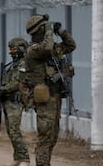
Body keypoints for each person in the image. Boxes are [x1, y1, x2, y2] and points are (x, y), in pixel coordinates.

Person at [20, 14, 76, 166]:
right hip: (45, 98)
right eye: (45, 28)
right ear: (40, 30)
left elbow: (71, 45)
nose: (47, 30)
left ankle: (45, 162)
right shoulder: (33, 50)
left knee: (53, 136)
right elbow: (46, 47)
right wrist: (50, 30)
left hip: (56, 95)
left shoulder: (51, 49)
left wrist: (61, 31)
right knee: (45, 136)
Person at [0, 37, 31, 166]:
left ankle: (25, 158)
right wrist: (0, 91)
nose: (11, 52)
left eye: (14, 49)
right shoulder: (11, 66)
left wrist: (1, 90)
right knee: (10, 131)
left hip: (16, 102)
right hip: (8, 102)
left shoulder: (24, 64)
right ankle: (18, 158)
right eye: (10, 49)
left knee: (14, 130)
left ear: (21, 49)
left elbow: (17, 83)